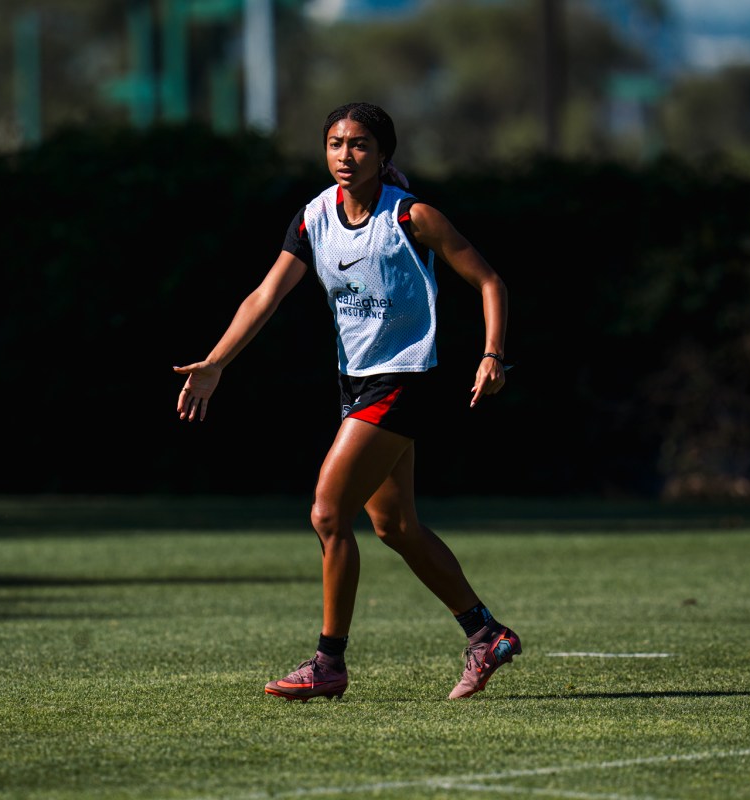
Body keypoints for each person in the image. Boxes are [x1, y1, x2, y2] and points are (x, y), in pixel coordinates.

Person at [173, 101, 520, 701]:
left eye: (359, 144)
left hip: (406, 377)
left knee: (329, 512)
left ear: (384, 154)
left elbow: (490, 281)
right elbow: (264, 296)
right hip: (356, 381)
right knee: (396, 525)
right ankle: (485, 633)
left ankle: (328, 662)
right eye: (335, 143)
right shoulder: (313, 218)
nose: (345, 155)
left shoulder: (411, 216)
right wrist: (216, 362)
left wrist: (492, 355)